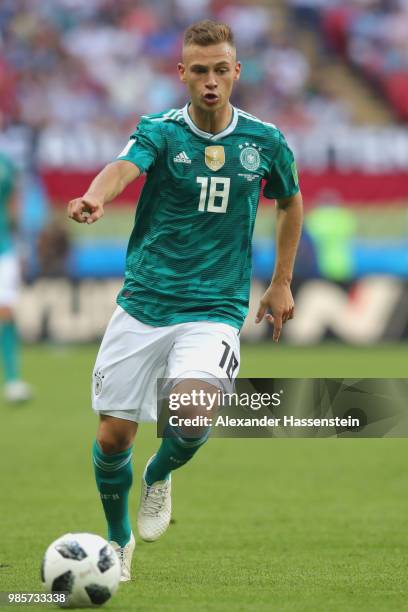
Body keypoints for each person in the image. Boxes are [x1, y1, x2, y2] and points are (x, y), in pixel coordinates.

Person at [68, 20, 303, 582]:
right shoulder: (160, 131)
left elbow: (290, 203)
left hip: (215, 309)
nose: (211, 81)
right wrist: (96, 196)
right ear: (182, 74)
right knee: (110, 437)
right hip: (145, 301)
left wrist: (281, 281)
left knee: (192, 415)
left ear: (236, 71)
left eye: (221, 69)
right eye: (199, 71)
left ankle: (159, 472)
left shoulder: (265, 141)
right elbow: (124, 167)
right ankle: (117, 540)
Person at [0, 152, 32, 403]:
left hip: (4, 249)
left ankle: (12, 379)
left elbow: (13, 202)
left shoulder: (7, 163)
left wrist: (20, 243)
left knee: (6, 311)